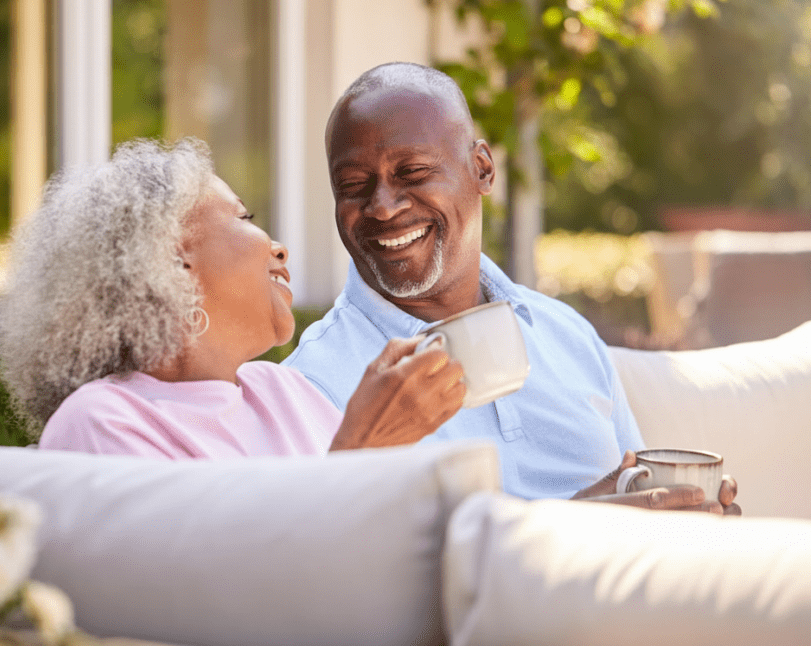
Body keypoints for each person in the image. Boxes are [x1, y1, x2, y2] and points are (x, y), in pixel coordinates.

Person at [283, 62, 739, 513]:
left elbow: (635, 488)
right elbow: (336, 568)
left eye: (413, 172)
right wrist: (573, 527)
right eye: (354, 184)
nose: (382, 207)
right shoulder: (314, 382)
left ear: (482, 169)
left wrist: (684, 519)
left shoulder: (565, 334)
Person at [0, 138, 466, 459]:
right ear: (171, 265)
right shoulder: (102, 421)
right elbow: (208, 595)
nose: (278, 247)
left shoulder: (286, 392)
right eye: (244, 217)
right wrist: (363, 449)